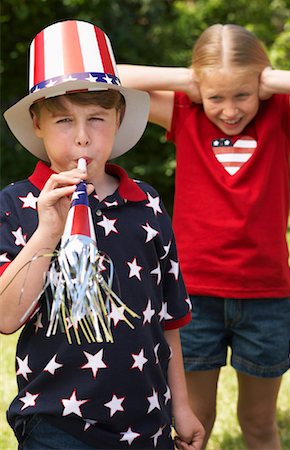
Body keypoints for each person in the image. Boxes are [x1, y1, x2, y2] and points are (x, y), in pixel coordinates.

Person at [0, 19, 205, 450]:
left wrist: (180, 407)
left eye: (96, 118)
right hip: (56, 423)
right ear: (36, 123)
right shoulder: (16, 204)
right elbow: (5, 318)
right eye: (62, 121)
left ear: (119, 119)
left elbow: (170, 318)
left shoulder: (145, 203)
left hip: (147, 420)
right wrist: (48, 231)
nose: (81, 138)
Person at [117, 23, 290, 450]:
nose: (230, 110)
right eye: (216, 97)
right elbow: (109, 76)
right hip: (194, 296)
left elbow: (260, 92)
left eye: (242, 94)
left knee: (258, 423)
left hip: (265, 299)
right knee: (195, 424)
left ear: (261, 88)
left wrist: (271, 79)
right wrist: (191, 80)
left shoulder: (278, 115)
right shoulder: (185, 112)